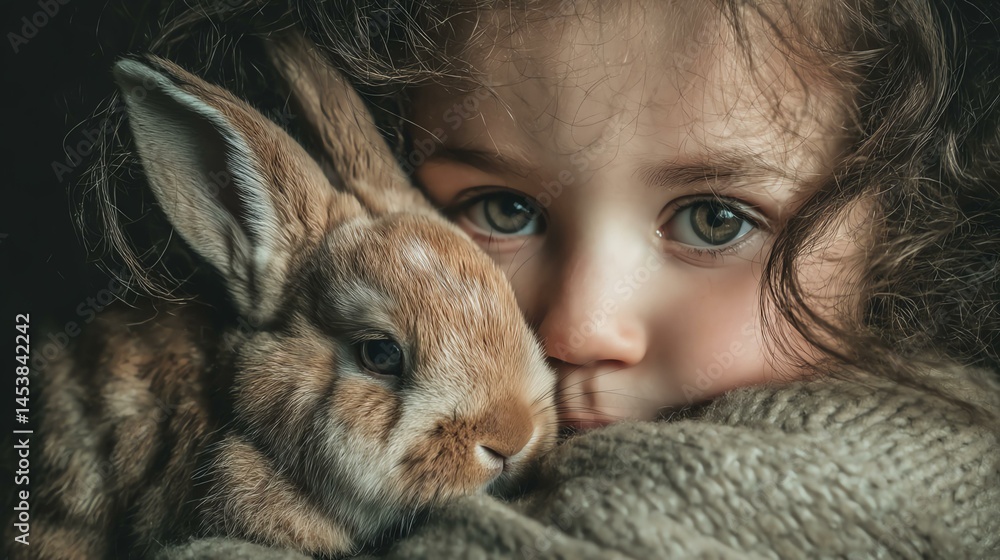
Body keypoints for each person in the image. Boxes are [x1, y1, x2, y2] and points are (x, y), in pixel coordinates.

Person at [83, 0, 999, 557]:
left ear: (898, 229)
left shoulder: (884, 470)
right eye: (502, 211)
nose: (579, 327)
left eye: (715, 219)